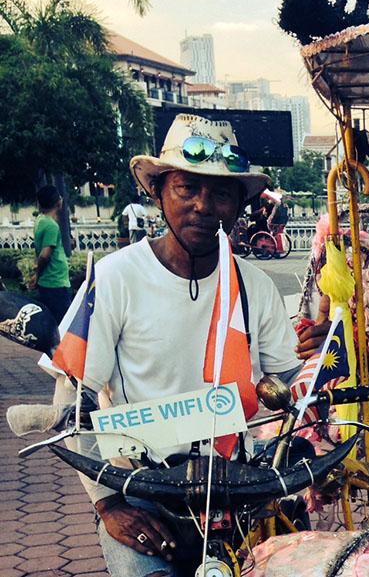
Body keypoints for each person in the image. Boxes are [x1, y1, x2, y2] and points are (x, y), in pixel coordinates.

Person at [52, 114, 329, 576]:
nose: (203, 206)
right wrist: (108, 506)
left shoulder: (252, 285)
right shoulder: (114, 279)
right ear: (158, 192)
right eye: (187, 188)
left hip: (234, 486)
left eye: (221, 192)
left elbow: (285, 384)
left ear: (239, 205)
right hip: (143, 487)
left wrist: (317, 355)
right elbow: (71, 393)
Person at [31, 185, 71, 323]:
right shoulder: (51, 226)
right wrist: (37, 274)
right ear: (57, 202)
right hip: (56, 282)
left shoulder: (40, 220)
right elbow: (45, 254)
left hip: (50, 282)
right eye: (60, 197)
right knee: (63, 323)